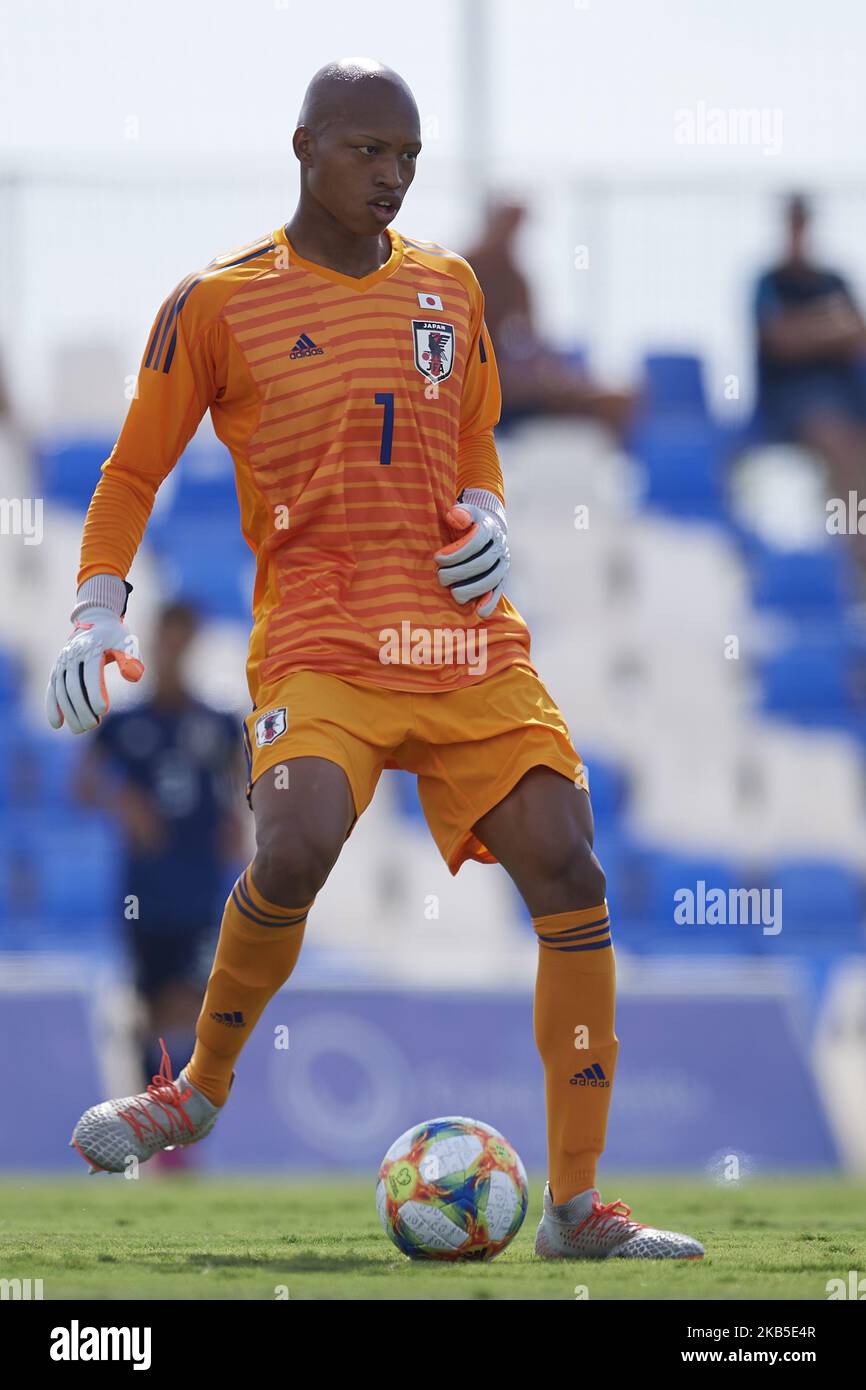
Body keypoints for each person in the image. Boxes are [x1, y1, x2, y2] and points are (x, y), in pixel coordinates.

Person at [46, 58, 701, 1260]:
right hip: (322, 642)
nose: (391, 175)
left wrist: (493, 522)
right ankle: (193, 1090)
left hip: (465, 647)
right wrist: (97, 608)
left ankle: (573, 1208)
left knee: (570, 869)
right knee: (290, 846)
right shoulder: (217, 300)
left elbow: (476, 446)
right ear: (305, 147)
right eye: (366, 152)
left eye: (406, 155)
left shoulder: (447, 289)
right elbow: (131, 469)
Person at [74, 600, 245, 1165]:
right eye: (167, 639)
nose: (175, 650)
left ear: (193, 645)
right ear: (156, 642)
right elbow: (82, 786)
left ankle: (170, 1142)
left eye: (184, 639)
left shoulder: (216, 721)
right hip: (142, 893)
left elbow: (241, 782)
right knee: (148, 1011)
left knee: (184, 1005)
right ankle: (150, 1127)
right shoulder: (127, 724)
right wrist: (126, 805)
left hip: (198, 889)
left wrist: (236, 821)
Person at [464, 196, 635, 436]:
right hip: (473, 381)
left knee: (617, 399)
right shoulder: (461, 270)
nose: (513, 233)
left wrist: (553, 374)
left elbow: (532, 342)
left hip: (508, 380)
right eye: (508, 223)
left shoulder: (516, 281)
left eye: (518, 225)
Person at [753, 194, 866, 538]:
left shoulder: (835, 281)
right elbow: (780, 341)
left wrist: (805, 330)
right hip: (790, 405)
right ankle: (855, 546)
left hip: (844, 400)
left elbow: (856, 334)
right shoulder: (769, 282)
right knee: (838, 442)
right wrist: (830, 327)